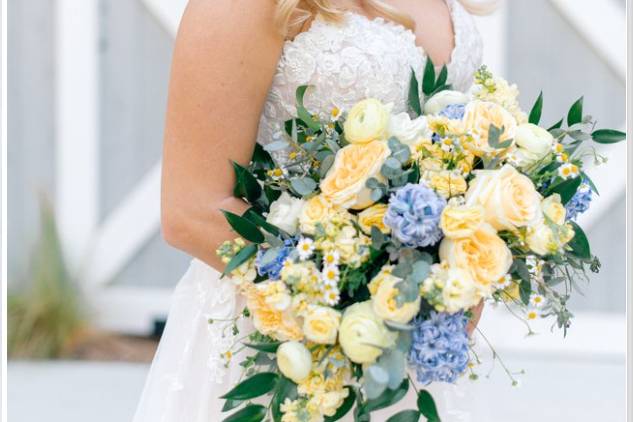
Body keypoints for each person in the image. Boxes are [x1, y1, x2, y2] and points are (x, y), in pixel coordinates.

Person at [134, 1, 494, 420]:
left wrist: (462, 262)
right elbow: (191, 211)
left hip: (415, 351)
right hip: (288, 346)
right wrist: (358, 299)